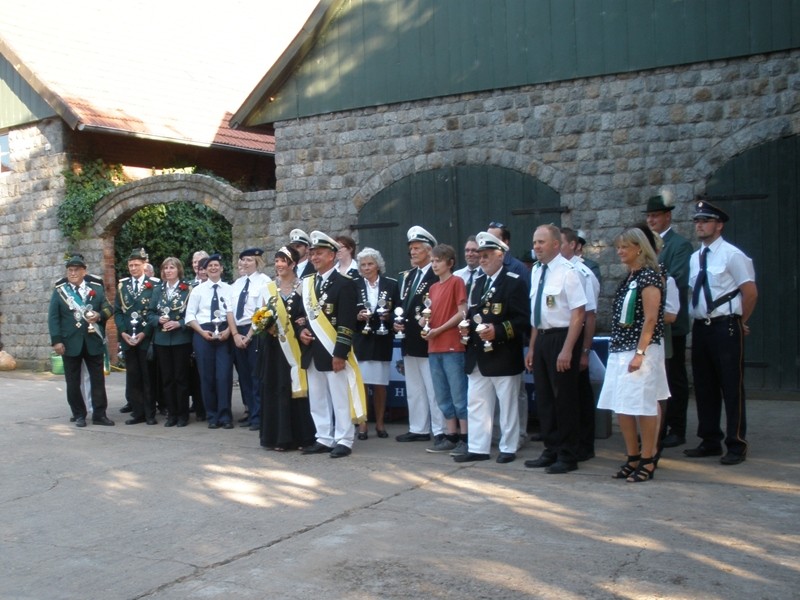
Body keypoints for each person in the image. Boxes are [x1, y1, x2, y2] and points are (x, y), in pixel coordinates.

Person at [685, 200, 757, 466]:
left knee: (731, 386)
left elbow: (750, 292)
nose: (700, 225)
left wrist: (740, 321)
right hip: (701, 327)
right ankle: (709, 439)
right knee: (704, 386)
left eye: (705, 221)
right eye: (697, 221)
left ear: (719, 225)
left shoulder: (732, 255)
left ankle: (736, 443)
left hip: (725, 325)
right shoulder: (696, 257)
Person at [597, 227, 669, 482]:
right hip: (620, 348)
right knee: (622, 405)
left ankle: (648, 458)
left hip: (641, 350)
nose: (620, 251)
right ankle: (633, 456)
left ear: (639, 248)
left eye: (625, 247)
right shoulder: (630, 277)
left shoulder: (650, 277)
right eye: (618, 247)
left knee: (643, 404)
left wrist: (640, 353)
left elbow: (651, 319)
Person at [454, 232, 529, 464]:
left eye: (486, 255)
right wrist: (466, 328)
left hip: (504, 354)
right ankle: (478, 447)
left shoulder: (513, 281)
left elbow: (522, 320)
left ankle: (509, 446)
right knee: (476, 402)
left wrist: (497, 331)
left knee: (507, 404)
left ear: (500, 255)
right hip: (478, 355)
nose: (482, 259)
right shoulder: (477, 283)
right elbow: (474, 315)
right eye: (480, 255)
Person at [524, 224, 587, 474]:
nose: (537, 247)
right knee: (545, 399)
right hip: (542, 338)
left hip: (562, 338)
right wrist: (531, 348)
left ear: (555, 245)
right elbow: (537, 314)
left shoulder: (569, 272)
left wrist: (568, 349)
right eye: (535, 242)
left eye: (541, 242)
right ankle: (550, 449)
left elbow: (579, 313)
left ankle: (568, 454)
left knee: (565, 400)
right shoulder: (538, 271)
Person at [298, 231, 366, 458]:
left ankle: (344, 439)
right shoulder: (307, 283)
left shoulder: (344, 284)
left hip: (333, 349)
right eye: (313, 253)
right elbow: (301, 316)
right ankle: (324, 437)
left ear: (333, 256)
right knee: (317, 398)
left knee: (339, 397)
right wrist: (302, 331)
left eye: (320, 253)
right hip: (312, 350)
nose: (315, 257)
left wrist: (340, 353)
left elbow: (347, 323)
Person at [644, 191, 694, 449]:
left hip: (671, 322)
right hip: (652, 322)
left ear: (667, 217)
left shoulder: (679, 245)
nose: (651, 220)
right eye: (649, 216)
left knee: (674, 377)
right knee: (657, 377)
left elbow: (677, 278)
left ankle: (677, 426)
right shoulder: (648, 245)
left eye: (655, 216)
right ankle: (659, 426)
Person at [257, 246, 316, 451]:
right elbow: (261, 314)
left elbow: (310, 314)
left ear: (293, 264)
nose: (279, 265)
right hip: (274, 347)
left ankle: (302, 437)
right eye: (277, 261)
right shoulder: (270, 288)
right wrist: (265, 325)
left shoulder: (304, 287)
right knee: (276, 388)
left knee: (297, 390)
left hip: (296, 347)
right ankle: (278, 437)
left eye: (284, 261)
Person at [48, 255, 115, 428]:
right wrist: (56, 341)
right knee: (72, 381)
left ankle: (99, 414)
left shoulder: (96, 289)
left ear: (84, 271)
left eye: (76, 270)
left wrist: (99, 315)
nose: (73, 273)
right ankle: (78, 414)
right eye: (70, 270)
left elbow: (108, 308)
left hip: (93, 341)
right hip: (70, 343)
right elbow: (53, 317)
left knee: (98, 380)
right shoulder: (60, 291)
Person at [393, 226, 446, 444]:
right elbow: (400, 305)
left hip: (428, 339)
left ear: (429, 250)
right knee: (414, 387)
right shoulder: (407, 276)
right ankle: (418, 427)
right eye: (411, 249)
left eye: (417, 248)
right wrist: (396, 323)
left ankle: (440, 429)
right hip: (408, 340)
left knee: (433, 388)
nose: (413, 253)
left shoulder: (435, 275)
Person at [422, 244, 469, 454]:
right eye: (432, 261)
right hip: (434, 346)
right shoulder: (432, 288)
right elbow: (429, 314)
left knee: (459, 393)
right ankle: (450, 435)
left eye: (438, 261)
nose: (434, 264)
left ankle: (466, 437)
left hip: (452, 346)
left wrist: (439, 329)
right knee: (442, 394)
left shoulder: (457, 282)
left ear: (449, 263)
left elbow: (462, 313)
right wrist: (424, 324)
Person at [560, 227, 600, 461]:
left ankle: (584, 444)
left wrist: (585, 350)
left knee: (579, 395)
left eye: (562, 243)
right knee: (565, 397)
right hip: (559, 336)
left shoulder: (583, 273)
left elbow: (589, 316)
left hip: (576, 339)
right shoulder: (554, 271)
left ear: (573, 245)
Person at [353, 247, 400, 440]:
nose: (366, 268)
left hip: (382, 338)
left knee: (380, 384)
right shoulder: (353, 285)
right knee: (361, 383)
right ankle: (363, 424)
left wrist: (389, 318)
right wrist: (357, 315)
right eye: (363, 265)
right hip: (361, 339)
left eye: (370, 264)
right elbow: (346, 311)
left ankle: (380, 423)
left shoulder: (391, 284)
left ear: (378, 265)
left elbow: (399, 310)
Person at [185, 253, 235, 429]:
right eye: (210, 266)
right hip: (203, 333)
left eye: (217, 265)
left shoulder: (230, 289)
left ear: (222, 268)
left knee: (224, 375)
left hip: (224, 333)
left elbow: (234, 314)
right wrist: (201, 332)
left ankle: (225, 416)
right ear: (205, 270)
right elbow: (190, 315)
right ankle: (212, 415)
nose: (213, 268)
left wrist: (229, 331)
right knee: (207, 376)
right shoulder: (197, 290)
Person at [227, 247, 272, 431]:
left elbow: (263, 311)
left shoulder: (264, 282)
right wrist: (236, 334)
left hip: (254, 331)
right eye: (242, 260)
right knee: (244, 376)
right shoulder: (237, 284)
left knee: (256, 375)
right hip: (238, 331)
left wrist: (250, 334)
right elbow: (229, 310)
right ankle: (250, 411)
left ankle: (260, 416)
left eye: (249, 260)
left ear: (257, 262)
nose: (244, 263)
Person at [147, 257, 193, 427]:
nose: (168, 271)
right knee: (167, 379)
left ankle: (183, 415)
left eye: (171, 267)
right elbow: (150, 313)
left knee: (181, 378)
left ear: (178, 270)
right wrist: (158, 320)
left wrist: (179, 323)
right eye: (165, 268)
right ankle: (171, 414)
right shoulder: (158, 290)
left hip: (181, 340)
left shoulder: (187, 289)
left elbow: (192, 314)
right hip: (162, 340)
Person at [115, 248, 158, 425]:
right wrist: (123, 332)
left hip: (145, 338)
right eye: (130, 265)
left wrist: (144, 333)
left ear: (144, 265)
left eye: (136, 265)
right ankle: (138, 412)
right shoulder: (122, 285)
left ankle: (150, 414)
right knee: (133, 377)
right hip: (128, 339)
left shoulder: (154, 285)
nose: (133, 268)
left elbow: (154, 311)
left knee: (148, 377)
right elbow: (118, 311)